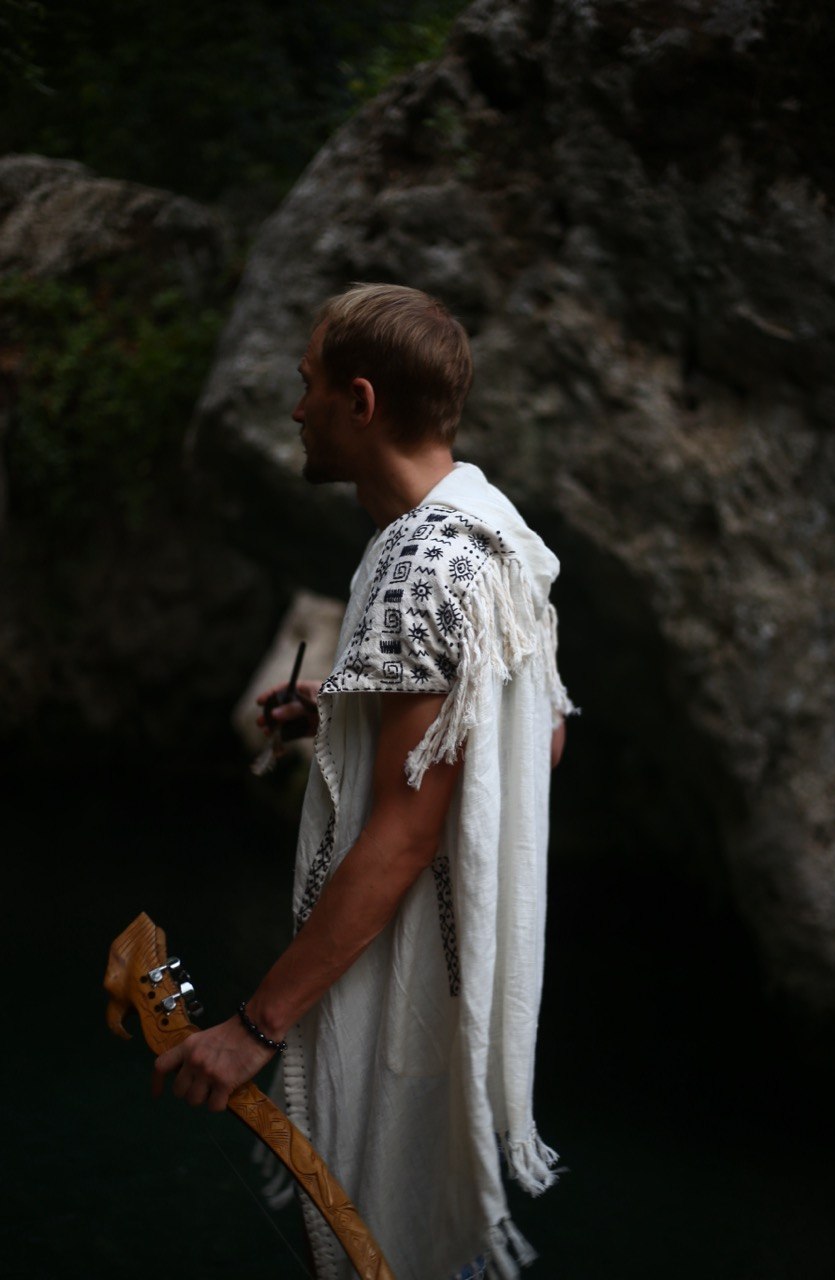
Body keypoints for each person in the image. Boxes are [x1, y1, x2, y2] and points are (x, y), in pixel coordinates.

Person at [154, 283, 575, 1280]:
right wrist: (349, 715)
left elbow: (402, 832)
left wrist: (253, 1026)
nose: (296, 410)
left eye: (309, 388)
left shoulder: (423, 561)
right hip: (455, 991)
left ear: (362, 398)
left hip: (408, 996)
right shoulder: (493, 526)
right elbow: (537, 736)